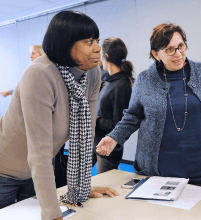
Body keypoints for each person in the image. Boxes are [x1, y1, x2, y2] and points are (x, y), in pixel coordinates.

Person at [0, 11, 118, 220]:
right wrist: (53, 215)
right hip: (4, 171)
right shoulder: (40, 74)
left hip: (36, 173)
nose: (98, 48)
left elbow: (85, 135)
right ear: (65, 43)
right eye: (89, 41)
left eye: (97, 40)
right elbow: (39, 151)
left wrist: (80, 188)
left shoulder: (92, 73)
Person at [97, 22, 201, 190]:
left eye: (181, 46)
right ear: (156, 54)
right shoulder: (146, 80)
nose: (178, 54)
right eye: (169, 49)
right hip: (160, 177)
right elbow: (132, 116)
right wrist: (114, 137)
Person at [94, 37, 135, 173]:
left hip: (108, 150)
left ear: (106, 55)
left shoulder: (122, 85)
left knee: (105, 188)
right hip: (96, 143)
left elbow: (120, 124)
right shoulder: (108, 81)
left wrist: (95, 120)